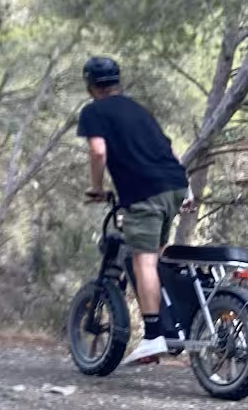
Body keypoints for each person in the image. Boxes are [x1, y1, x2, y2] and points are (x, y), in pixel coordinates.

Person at [77, 56, 194, 364]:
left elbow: (98, 150)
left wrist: (96, 186)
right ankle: (169, 327)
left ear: (90, 86)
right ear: (117, 82)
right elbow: (169, 150)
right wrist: (188, 190)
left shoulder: (93, 111)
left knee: (143, 262)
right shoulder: (139, 110)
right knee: (154, 259)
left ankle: (154, 336)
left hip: (145, 193)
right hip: (175, 186)